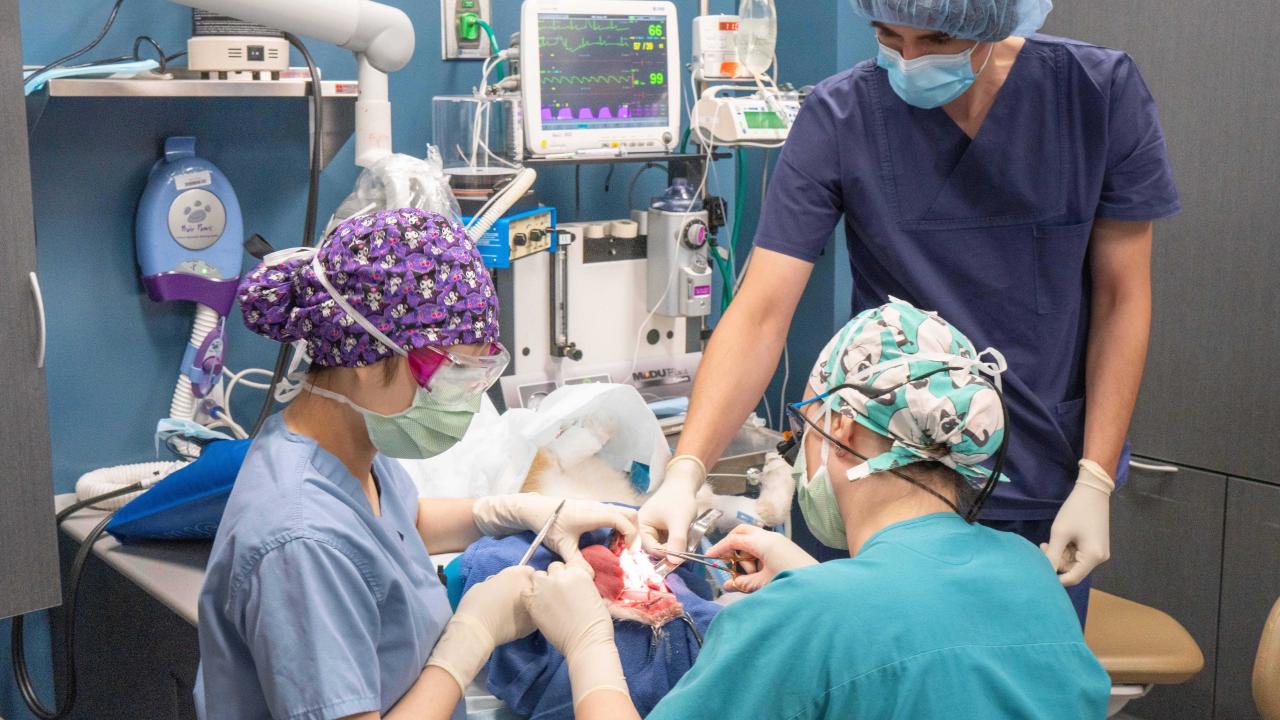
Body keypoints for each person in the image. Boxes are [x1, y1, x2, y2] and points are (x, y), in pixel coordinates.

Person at [640, 0, 1180, 623]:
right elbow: (762, 309)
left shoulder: (1093, 94)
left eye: (936, 37)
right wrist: (687, 469)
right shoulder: (842, 115)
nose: (910, 60)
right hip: (878, 482)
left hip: (1038, 475)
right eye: (887, 36)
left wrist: (1094, 478)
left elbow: (1122, 298)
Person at [521, 300, 1112, 719]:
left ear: (839, 424)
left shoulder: (802, 618)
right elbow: (922, 633)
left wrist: (587, 641)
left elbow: (850, 638)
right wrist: (815, 576)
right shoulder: (1027, 573)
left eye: (803, 431)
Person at [194, 208, 636, 720]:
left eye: (480, 368)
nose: (467, 396)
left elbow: (395, 528)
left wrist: (516, 511)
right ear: (362, 360)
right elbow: (341, 545)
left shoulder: (343, 450)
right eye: (453, 371)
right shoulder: (300, 544)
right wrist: (466, 642)